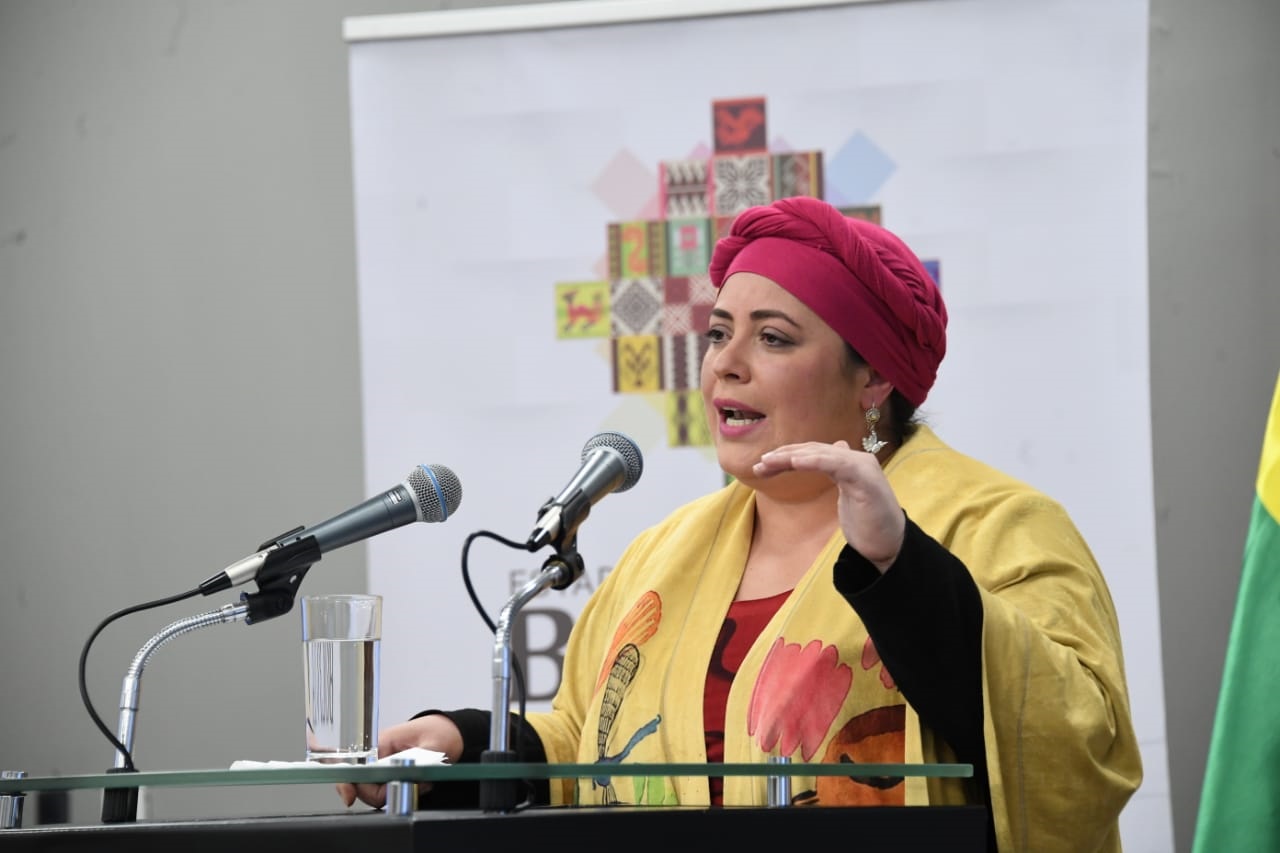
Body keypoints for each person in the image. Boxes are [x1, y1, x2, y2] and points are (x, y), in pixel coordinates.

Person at [338, 196, 1142, 851]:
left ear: (872, 379)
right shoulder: (664, 553)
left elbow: (1079, 750)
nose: (725, 361)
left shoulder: (999, 524)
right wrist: (462, 743)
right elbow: (587, 742)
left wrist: (901, 566)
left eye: (773, 338)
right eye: (720, 332)